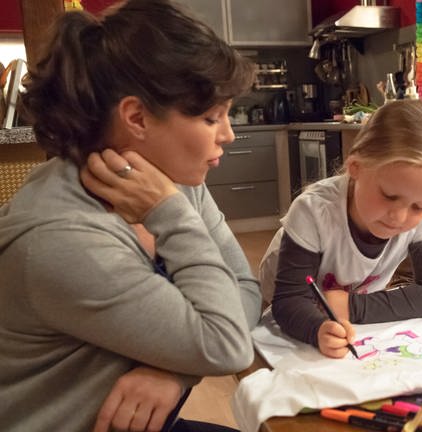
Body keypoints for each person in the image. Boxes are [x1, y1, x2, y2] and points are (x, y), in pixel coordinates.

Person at [0, 1, 262, 431]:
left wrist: (172, 370)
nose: (228, 134)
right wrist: (169, 215)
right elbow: (229, 345)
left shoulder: (173, 185)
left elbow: (246, 291)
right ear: (136, 117)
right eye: (212, 117)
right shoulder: (61, 240)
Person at [258, 99, 422, 359]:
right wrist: (317, 329)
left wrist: (349, 306)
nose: (399, 217)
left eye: (418, 206)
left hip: (346, 315)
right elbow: (289, 300)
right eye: (388, 196)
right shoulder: (314, 211)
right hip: (285, 311)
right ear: (356, 168)